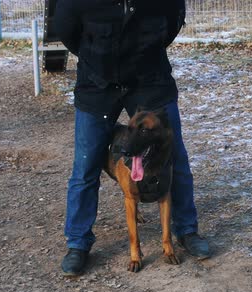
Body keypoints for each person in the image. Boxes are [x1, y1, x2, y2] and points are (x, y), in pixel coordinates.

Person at [54, 0, 210, 276]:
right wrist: (99, 56)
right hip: (97, 84)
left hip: (150, 82)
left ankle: (187, 231)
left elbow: (172, 22)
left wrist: (142, 53)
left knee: (177, 161)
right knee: (85, 167)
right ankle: (78, 244)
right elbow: (67, 30)